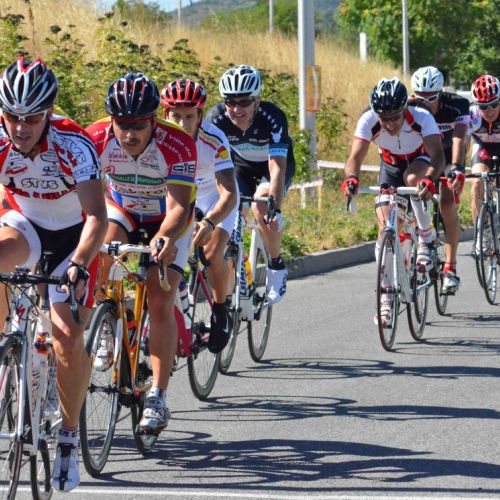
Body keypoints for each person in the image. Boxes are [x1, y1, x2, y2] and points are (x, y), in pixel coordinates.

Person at [0, 56, 107, 491]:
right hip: (26, 224)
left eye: (31, 118)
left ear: (48, 113)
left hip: (74, 238)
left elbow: (97, 216)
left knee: (65, 336)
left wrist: (79, 263)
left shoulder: (74, 144)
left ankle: (67, 436)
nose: (20, 126)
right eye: (12, 116)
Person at [86, 73, 197, 435]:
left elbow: (179, 207)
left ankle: (158, 397)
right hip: (123, 210)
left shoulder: (177, 143)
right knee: (100, 255)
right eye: (123, 125)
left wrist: (164, 237)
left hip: (168, 219)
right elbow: (81, 197)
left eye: (138, 126)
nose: (130, 134)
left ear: (153, 121)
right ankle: (106, 323)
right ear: (111, 121)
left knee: (160, 296)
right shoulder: (95, 138)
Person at [342, 77, 445, 326]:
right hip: (389, 166)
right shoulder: (368, 119)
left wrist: (430, 179)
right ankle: (386, 295)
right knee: (385, 230)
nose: (389, 124)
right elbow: (354, 158)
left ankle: (426, 235)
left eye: (395, 118)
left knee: (413, 179)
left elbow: (438, 156)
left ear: (404, 109)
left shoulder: (421, 116)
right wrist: (351, 179)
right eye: (383, 118)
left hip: (420, 161)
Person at [160, 78, 239, 353]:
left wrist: (210, 221)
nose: (182, 124)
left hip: (213, 197)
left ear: (201, 116)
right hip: (178, 196)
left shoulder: (214, 139)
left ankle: (221, 309)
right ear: (165, 114)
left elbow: (229, 193)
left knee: (211, 251)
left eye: (189, 117)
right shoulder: (157, 137)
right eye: (176, 116)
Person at [206, 64, 295, 305]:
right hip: (241, 167)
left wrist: (274, 206)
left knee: (261, 207)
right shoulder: (216, 119)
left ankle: (276, 266)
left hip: (272, 166)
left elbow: (277, 167)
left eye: (244, 102)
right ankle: (237, 267)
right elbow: (208, 162)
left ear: (257, 101)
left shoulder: (272, 117)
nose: (236, 109)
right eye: (230, 102)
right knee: (230, 211)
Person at [410, 66, 470, 295]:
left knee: (446, 203)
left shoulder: (457, 105)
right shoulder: (409, 106)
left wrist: (457, 168)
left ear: (441, 92)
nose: (425, 102)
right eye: (420, 97)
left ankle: (450, 267)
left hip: (448, 155)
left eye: (431, 97)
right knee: (413, 193)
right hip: (424, 156)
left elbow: (459, 138)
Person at [468, 74, 500, 252]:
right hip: (483, 149)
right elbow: (463, 142)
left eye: (494, 104)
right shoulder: (471, 115)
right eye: (483, 106)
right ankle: (482, 232)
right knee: (476, 183)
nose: (489, 110)